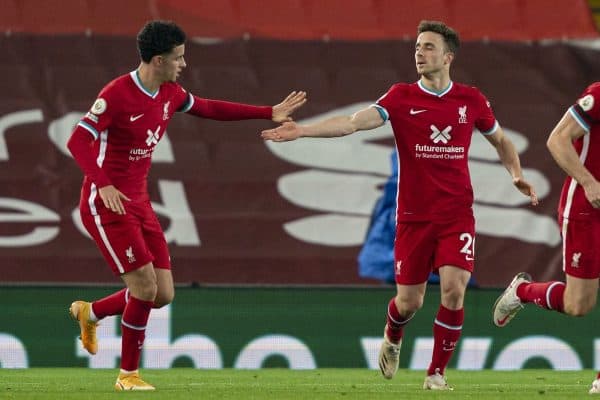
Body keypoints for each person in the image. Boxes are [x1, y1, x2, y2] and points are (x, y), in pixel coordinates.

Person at [261, 20, 538, 390]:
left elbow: (501, 141)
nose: (419, 53)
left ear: (448, 56)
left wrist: (515, 174)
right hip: (413, 218)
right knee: (409, 302)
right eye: (417, 47)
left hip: (456, 214)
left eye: (427, 47)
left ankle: (436, 373)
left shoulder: (471, 100)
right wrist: (303, 131)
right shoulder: (401, 96)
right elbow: (352, 123)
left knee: (455, 288)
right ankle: (393, 335)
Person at [67, 20, 306, 391]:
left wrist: (266, 112)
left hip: (140, 202)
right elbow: (78, 142)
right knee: (144, 288)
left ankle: (92, 312)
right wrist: (104, 184)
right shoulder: (116, 94)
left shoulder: (170, 93)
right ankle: (127, 375)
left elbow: (209, 108)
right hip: (106, 204)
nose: (184, 64)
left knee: (163, 294)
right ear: (158, 60)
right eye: (178, 58)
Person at [493, 82, 600, 394]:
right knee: (578, 305)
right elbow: (558, 140)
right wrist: (589, 181)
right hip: (586, 208)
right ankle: (523, 291)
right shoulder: (598, 95)